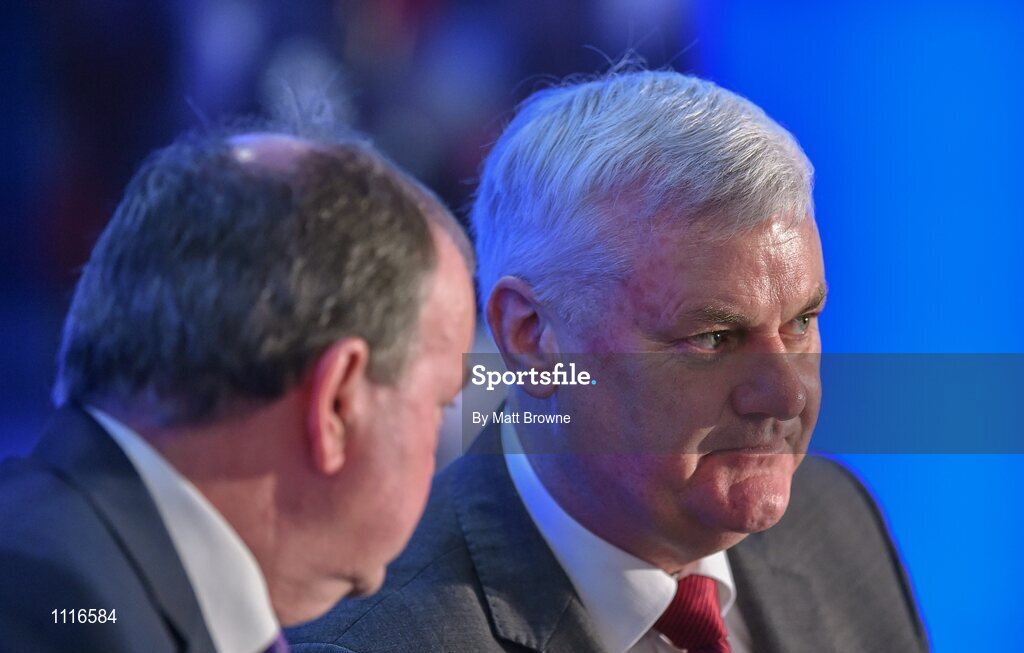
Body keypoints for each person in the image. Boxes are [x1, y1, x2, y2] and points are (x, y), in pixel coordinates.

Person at [287, 72, 928, 652]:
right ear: (532, 336)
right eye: (713, 338)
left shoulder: (838, 522)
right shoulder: (375, 640)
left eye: (803, 323)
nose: (788, 396)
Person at [0, 129, 476, 652]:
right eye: (440, 404)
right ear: (337, 404)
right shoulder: (60, 615)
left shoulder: (74, 573)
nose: (438, 450)